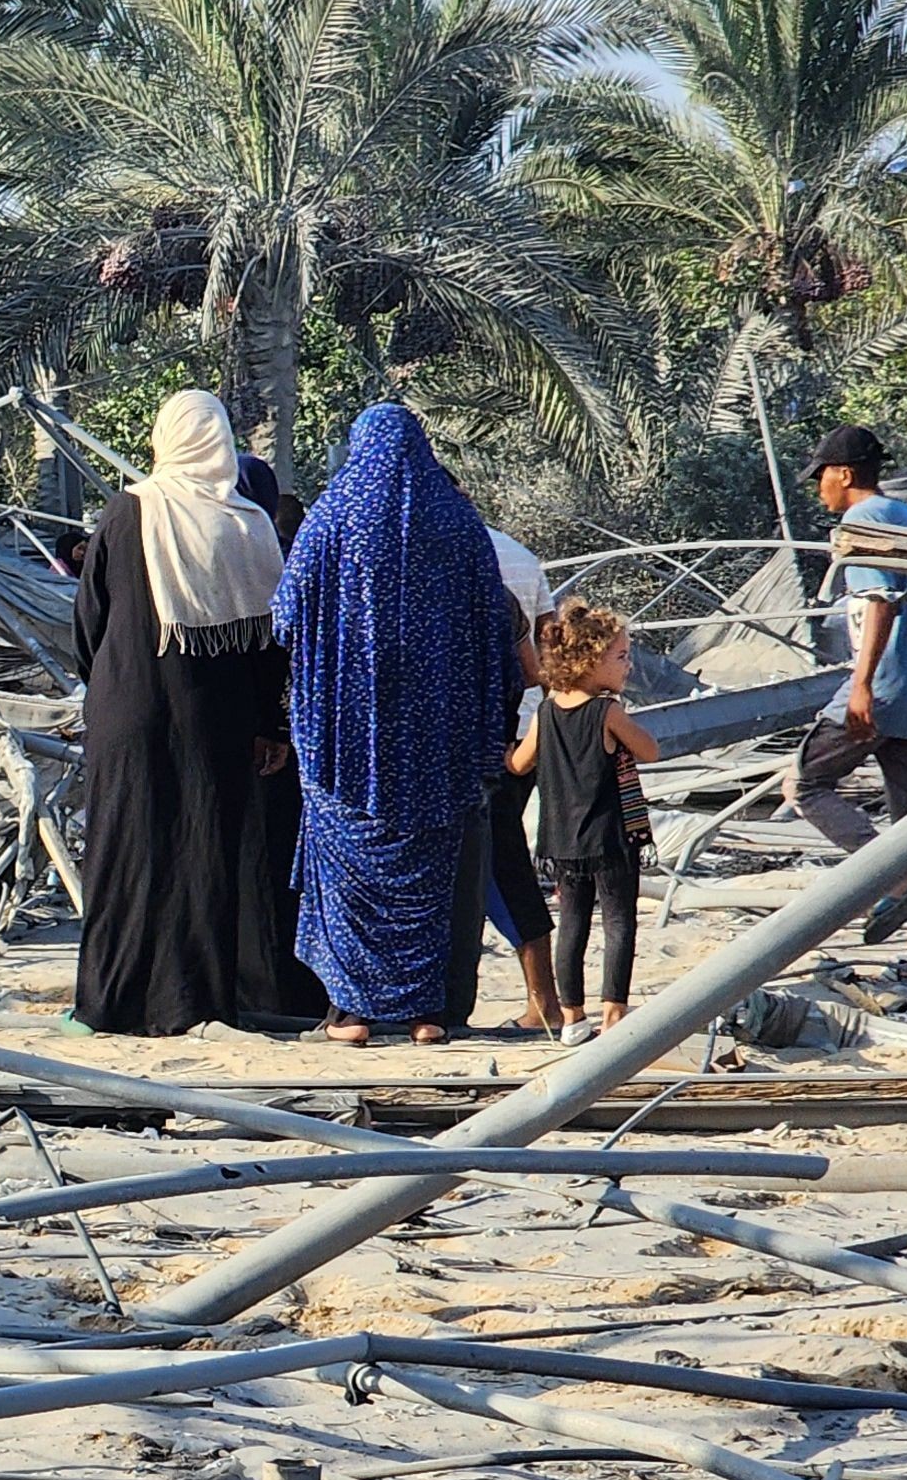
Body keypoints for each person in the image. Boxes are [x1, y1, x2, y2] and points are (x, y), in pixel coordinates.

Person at [276, 403, 526, 1045]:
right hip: (439, 740)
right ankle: (425, 1017)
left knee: (353, 867)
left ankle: (353, 1015)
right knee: (428, 878)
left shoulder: (331, 520)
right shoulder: (458, 523)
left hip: (346, 741)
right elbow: (497, 624)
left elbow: (285, 617)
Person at [71, 388, 318, 1034]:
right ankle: (197, 1002)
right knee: (206, 859)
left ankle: (107, 1001)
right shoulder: (248, 524)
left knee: (124, 854)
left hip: (126, 707)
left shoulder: (129, 512)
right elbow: (271, 641)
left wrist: (102, 682)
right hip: (218, 719)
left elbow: (89, 618)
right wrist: (271, 724)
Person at [793, 422, 907, 985]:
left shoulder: (859, 523)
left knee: (806, 784)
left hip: (884, 680)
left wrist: (860, 685)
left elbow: (879, 602)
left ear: (843, 474)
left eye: (821, 477)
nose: (819, 489)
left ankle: (897, 881)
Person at [513, 597, 659, 1033]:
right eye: (620, 656)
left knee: (572, 923)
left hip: (561, 842)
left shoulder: (546, 712)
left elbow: (520, 764)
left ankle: (573, 1015)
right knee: (618, 921)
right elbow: (650, 751)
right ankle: (614, 1012)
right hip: (610, 837)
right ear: (589, 661)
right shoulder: (607, 711)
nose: (627, 665)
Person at [465, 529, 566, 1034]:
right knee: (507, 861)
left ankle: (545, 1001)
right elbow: (547, 651)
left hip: (487, 741)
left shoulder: (432, 548)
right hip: (524, 728)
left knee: (500, 866)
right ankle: (545, 998)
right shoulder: (517, 554)